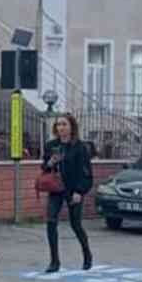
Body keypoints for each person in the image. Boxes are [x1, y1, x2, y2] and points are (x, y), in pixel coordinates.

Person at [41, 113, 94, 273]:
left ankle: (87, 254)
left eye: (64, 124)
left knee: (75, 224)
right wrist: (50, 162)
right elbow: (44, 168)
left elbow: (86, 173)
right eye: (58, 125)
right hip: (56, 188)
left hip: (73, 190)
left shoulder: (80, 147)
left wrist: (80, 191)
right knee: (51, 222)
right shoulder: (51, 145)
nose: (61, 128)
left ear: (71, 127)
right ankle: (54, 261)